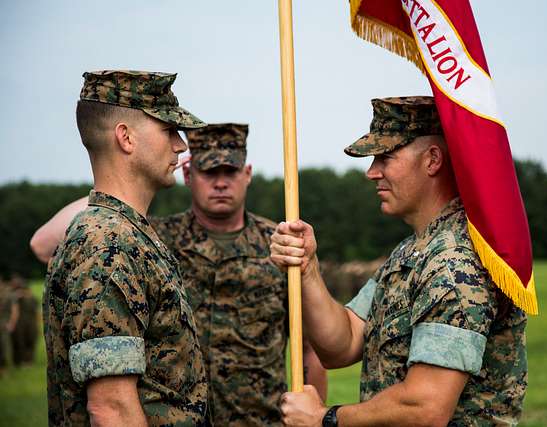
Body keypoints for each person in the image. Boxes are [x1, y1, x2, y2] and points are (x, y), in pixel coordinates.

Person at [31, 123, 327, 426]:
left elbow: (311, 351)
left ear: (247, 174)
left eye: (230, 172)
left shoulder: (281, 245)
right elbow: (43, 244)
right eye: (209, 172)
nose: (221, 183)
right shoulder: (151, 238)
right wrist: (136, 179)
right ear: (187, 174)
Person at [270, 96, 528, 426]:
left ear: (433, 160)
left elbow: (426, 408)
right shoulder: (413, 252)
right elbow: (343, 343)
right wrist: (307, 269)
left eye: (385, 157)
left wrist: (326, 419)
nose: (371, 172)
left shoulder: (454, 264)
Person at [43, 70, 208, 426]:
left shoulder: (127, 233)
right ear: (126, 137)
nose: (181, 145)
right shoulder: (109, 244)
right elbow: (111, 408)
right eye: (168, 131)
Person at [9, 274, 39, 366]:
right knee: (19, 341)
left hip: (30, 322)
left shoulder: (31, 298)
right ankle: (19, 361)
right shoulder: (13, 297)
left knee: (30, 340)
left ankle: (28, 360)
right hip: (19, 322)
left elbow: (36, 311)